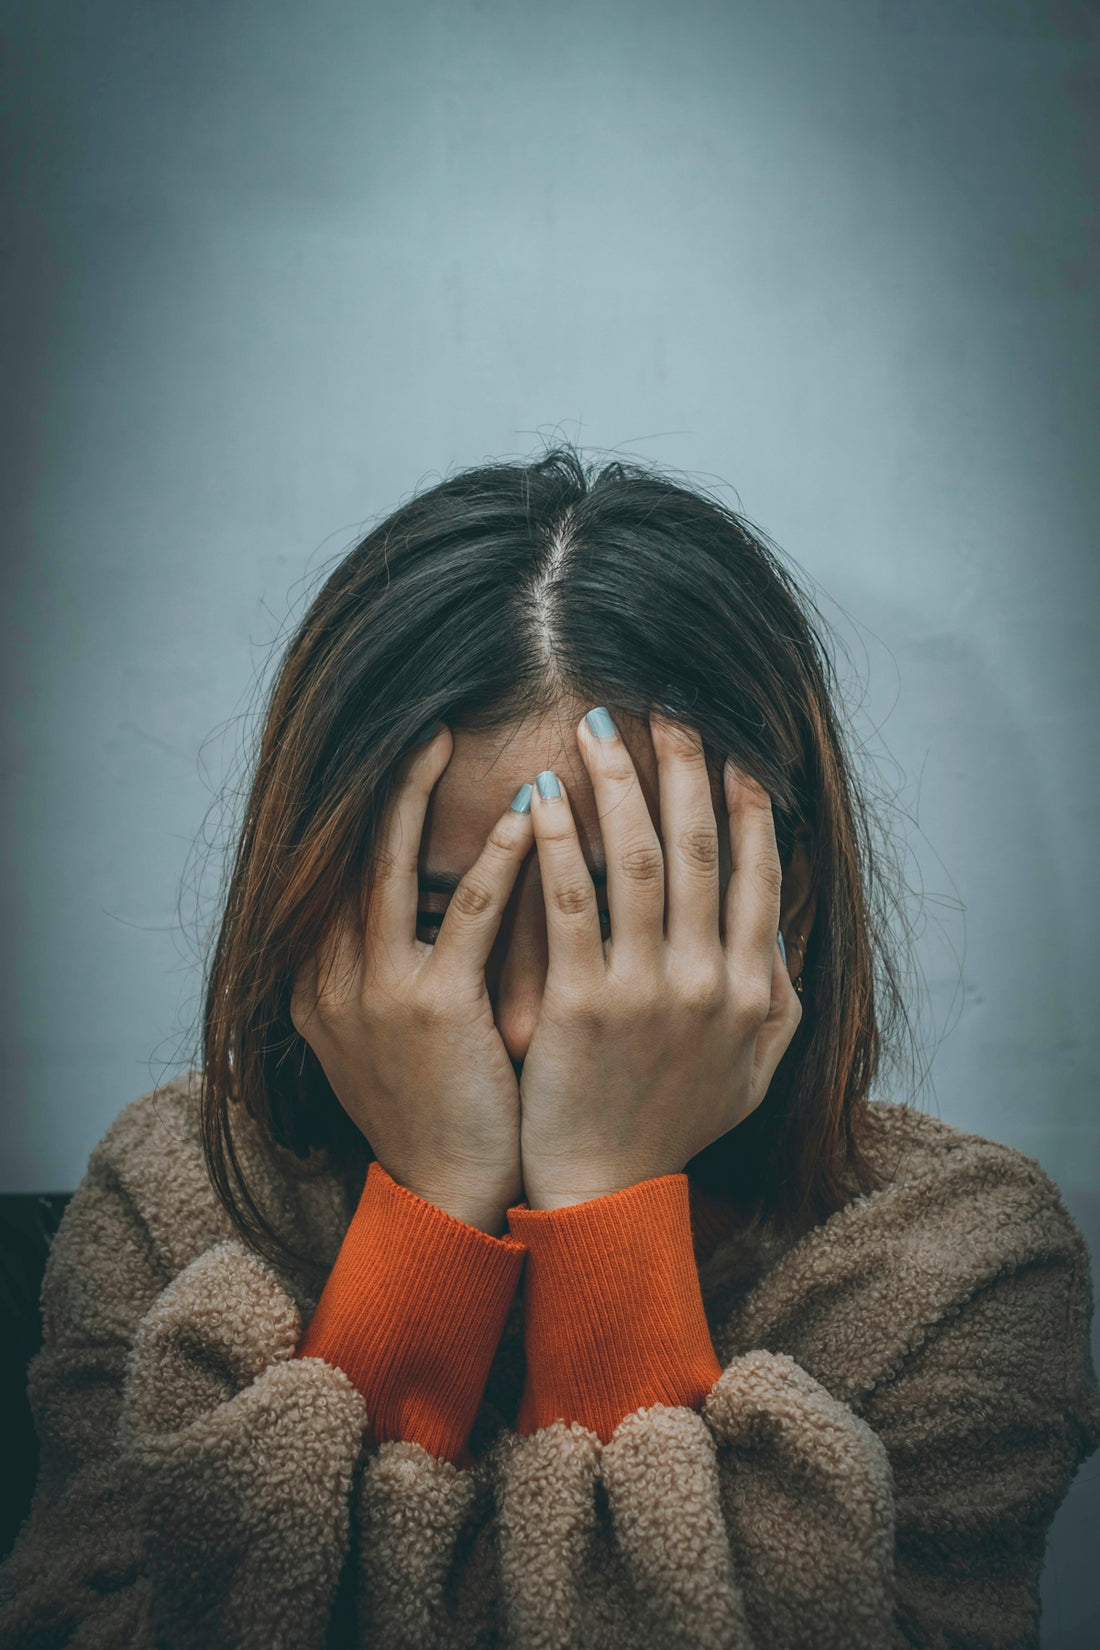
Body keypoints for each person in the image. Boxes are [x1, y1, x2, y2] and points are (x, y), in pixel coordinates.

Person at [1, 446, 1096, 1650]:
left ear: (779, 904)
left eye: (613, 925)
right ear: (305, 900)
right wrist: (426, 1224)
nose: (522, 1023)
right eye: (437, 919)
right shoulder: (179, 1195)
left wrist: (605, 1207)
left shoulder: (955, 1264)